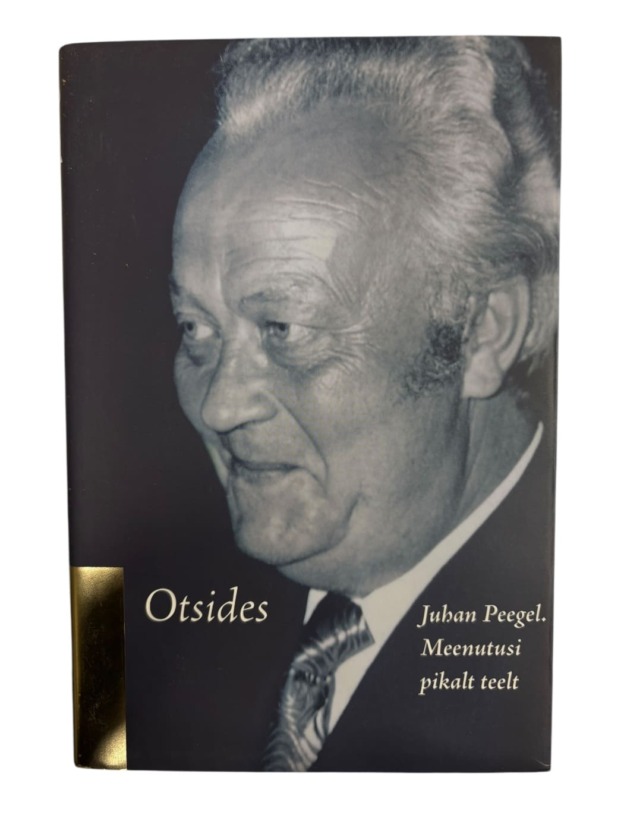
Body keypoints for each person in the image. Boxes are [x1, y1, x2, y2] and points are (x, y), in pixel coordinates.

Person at [169, 36, 558, 771]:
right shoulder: (145, 607)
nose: (218, 406)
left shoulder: (579, 672)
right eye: (195, 328)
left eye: (284, 330)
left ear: (481, 334)